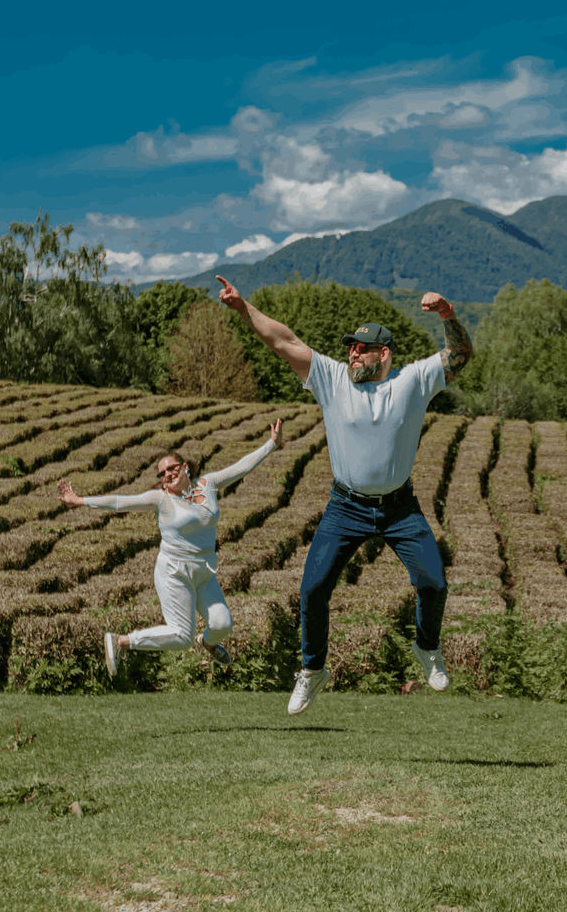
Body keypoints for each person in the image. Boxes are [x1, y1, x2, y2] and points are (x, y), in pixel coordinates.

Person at [215, 275, 472, 715]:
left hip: (399, 509)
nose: (351, 352)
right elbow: (283, 341)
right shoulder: (331, 379)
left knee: (434, 582)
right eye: (349, 346)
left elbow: (460, 355)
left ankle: (427, 647)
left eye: (361, 347)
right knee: (312, 589)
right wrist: (244, 309)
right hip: (346, 506)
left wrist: (448, 315)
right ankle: (313, 670)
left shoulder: (411, 382)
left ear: (383, 354)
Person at [56, 419, 285, 677]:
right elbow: (120, 502)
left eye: (172, 468)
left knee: (222, 625)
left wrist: (271, 444)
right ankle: (121, 641)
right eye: (162, 473)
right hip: (174, 572)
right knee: (182, 636)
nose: (167, 474)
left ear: (185, 467)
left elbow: (240, 467)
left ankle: (208, 643)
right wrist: (81, 501)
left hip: (204, 570)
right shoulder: (160, 499)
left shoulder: (208, 484)